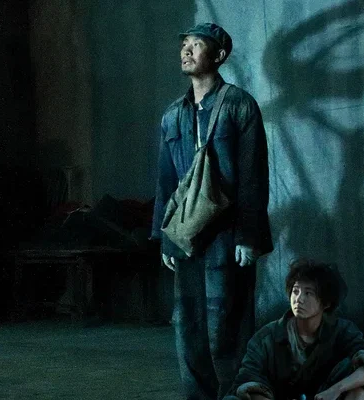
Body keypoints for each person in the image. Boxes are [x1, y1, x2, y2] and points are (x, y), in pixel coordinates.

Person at [150, 23, 273, 399]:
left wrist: (249, 236)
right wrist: (165, 238)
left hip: (228, 236)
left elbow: (253, 176)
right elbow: (166, 181)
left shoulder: (239, 105)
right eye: (184, 44)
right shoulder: (173, 115)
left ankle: (238, 394)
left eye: (197, 45)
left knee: (230, 326)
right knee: (189, 327)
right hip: (187, 235)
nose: (186, 51)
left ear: (219, 55)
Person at [224, 259, 364, 400]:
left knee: (359, 386)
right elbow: (248, 377)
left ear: (326, 303)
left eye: (308, 293)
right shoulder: (267, 337)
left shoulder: (341, 330)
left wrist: (337, 389)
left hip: (326, 396)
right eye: (296, 291)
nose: (299, 299)